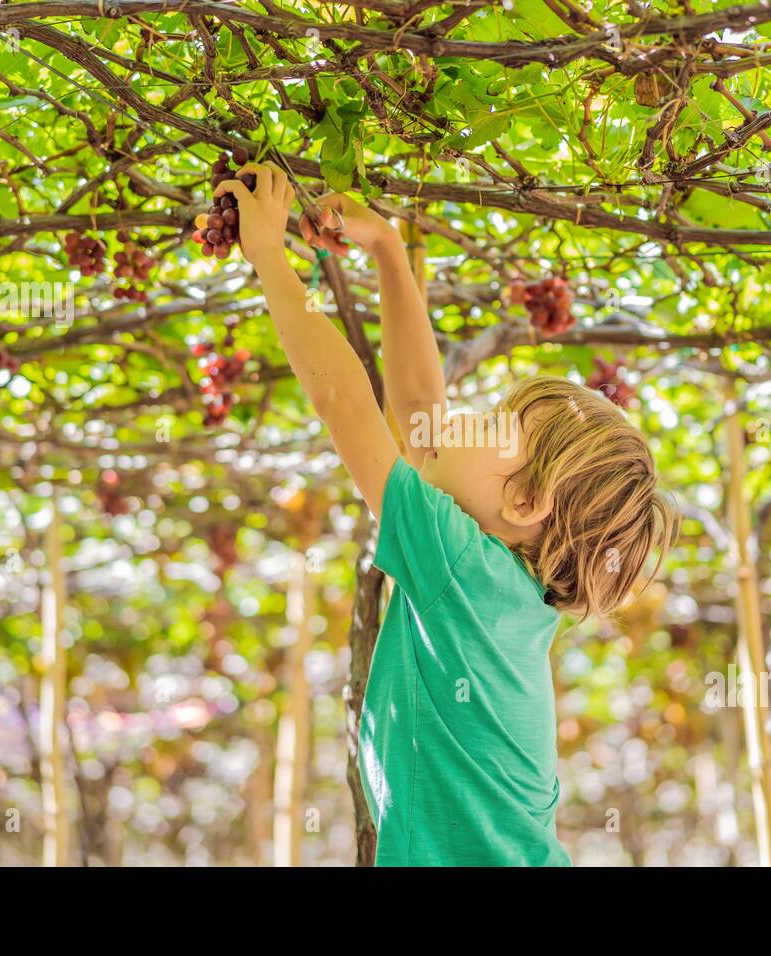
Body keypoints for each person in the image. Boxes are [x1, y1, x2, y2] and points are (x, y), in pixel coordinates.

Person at [216, 164, 676, 866]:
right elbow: (420, 408)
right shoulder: (497, 584)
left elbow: (348, 403)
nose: (459, 421)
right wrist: (389, 254)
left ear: (524, 502)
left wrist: (269, 258)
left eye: (494, 422)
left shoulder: (462, 566)